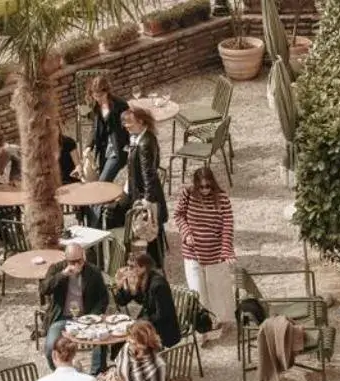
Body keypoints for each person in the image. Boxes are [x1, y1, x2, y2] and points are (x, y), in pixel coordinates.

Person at [173, 165, 235, 342]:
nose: (205, 190)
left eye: (208, 186)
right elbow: (178, 215)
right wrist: (186, 234)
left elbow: (227, 226)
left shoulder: (222, 199)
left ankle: (225, 320)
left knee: (218, 289)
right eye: (201, 186)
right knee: (197, 291)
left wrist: (225, 249)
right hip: (192, 253)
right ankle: (202, 329)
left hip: (215, 253)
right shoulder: (188, 194)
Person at [38, 243, 112, 372]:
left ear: (83, 258)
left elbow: (103, 298)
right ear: (66, 259)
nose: (76, 265)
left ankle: (96, 373)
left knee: (101, 340)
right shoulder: (56, 269)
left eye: (79, 261)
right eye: (72, 261)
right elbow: (43, 289)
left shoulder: (93, 272)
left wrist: (94, 315)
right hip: (63, 318)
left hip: (86, 318)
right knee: (50, 347)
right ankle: (61, 373)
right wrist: (62, 275)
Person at [118, 105, 167, 262]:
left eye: (129, 123)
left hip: (144, 194)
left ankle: (152, 261)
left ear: (140, 121)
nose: (126, 126)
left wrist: (147, 199)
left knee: (149, 227)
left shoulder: (145, 143)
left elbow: (148, 173)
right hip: (135, 189)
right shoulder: (139, 137)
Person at [113, 247, 182, 349]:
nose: (129, 270)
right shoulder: (141, 279)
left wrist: (139, 324)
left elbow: (162, 315)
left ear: (143, 268)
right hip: (149, 323)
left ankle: (133, 364)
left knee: (123, 342)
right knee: (117, 340)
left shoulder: (158, 285)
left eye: (132, 267)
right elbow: (122, 302)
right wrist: (123, 286)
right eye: (128, 266)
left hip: (164, 330)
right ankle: (125, 364)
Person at [101, 318, 168, 381]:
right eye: (130, 338)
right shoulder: (128, 347)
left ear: (147, 343)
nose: (130, 342)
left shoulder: (157, 365)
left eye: (135, 341)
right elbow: (117, 366)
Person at [85, 75, 129, 183]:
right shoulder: (96, 105)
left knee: (103, 182)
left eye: (101, 95)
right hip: (104, 148)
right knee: (102, 181)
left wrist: (129, 146)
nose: (98, 99)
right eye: (95, 96)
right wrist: (89, 146)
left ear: (107, 92)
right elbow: (95, 127)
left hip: (118, 148)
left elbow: (129, 126)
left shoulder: (120, 105)